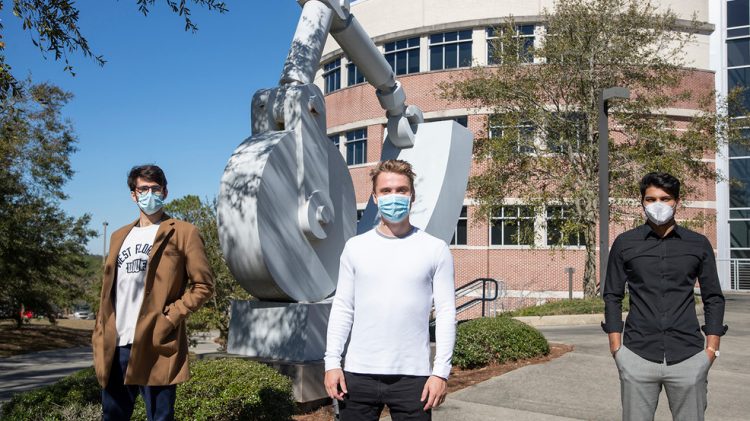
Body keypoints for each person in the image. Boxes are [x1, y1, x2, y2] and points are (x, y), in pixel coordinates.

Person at [324, 159, 457, 420]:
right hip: (357, 375)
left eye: (401, 190)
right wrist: (332, 363)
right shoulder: (355, 248)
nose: (393, 196)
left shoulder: (435, 249)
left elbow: (446, 313)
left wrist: (441, 372)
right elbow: (343, 308)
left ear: (412, 195)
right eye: (386, 191)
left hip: (414, 378)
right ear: (375, 197)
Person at [92, 164, 214, 421]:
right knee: (112, 416)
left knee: (160, 417)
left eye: (155, 189)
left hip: (156, 342)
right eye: (143, 189)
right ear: (133, 195)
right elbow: (110, 290)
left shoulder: (183, 232)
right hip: (116, 344)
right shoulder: (118, 236)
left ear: (165, 192)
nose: (150, 194)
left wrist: (170, 317)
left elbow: (203, 285)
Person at [602, 172, 727, 421]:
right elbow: (612, 295)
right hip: (637, 355)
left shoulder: (698, 244)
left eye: (665, 198)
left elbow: (713, 297)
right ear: (642, 202)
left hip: (688, 357)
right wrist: (617, 349)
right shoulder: (625, 243)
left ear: (677, 201)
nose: (658, 204)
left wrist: (711, 350)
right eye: (651, 199)